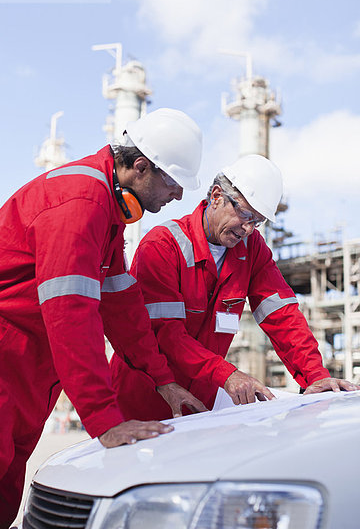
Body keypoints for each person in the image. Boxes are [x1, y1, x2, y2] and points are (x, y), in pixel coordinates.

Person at [0, 108, 207, 529]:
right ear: (140, 166)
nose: (179, 197)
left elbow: (122, 306)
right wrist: (104, 420)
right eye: (173, 182)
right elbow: (70, 312)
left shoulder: (106, 212)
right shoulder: (81, 201)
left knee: (2, 490)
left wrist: (164, 380)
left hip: (28, 360)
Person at [111, 154, 359, 420]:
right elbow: (165, 333)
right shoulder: (163, 245)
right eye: (244, 214)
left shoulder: (251, 249)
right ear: (216, 196)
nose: (249, 229)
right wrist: (225, 373)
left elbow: (282, 315)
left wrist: (315, 376)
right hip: (143, 396)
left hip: (201, 403)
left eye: (257, 221)